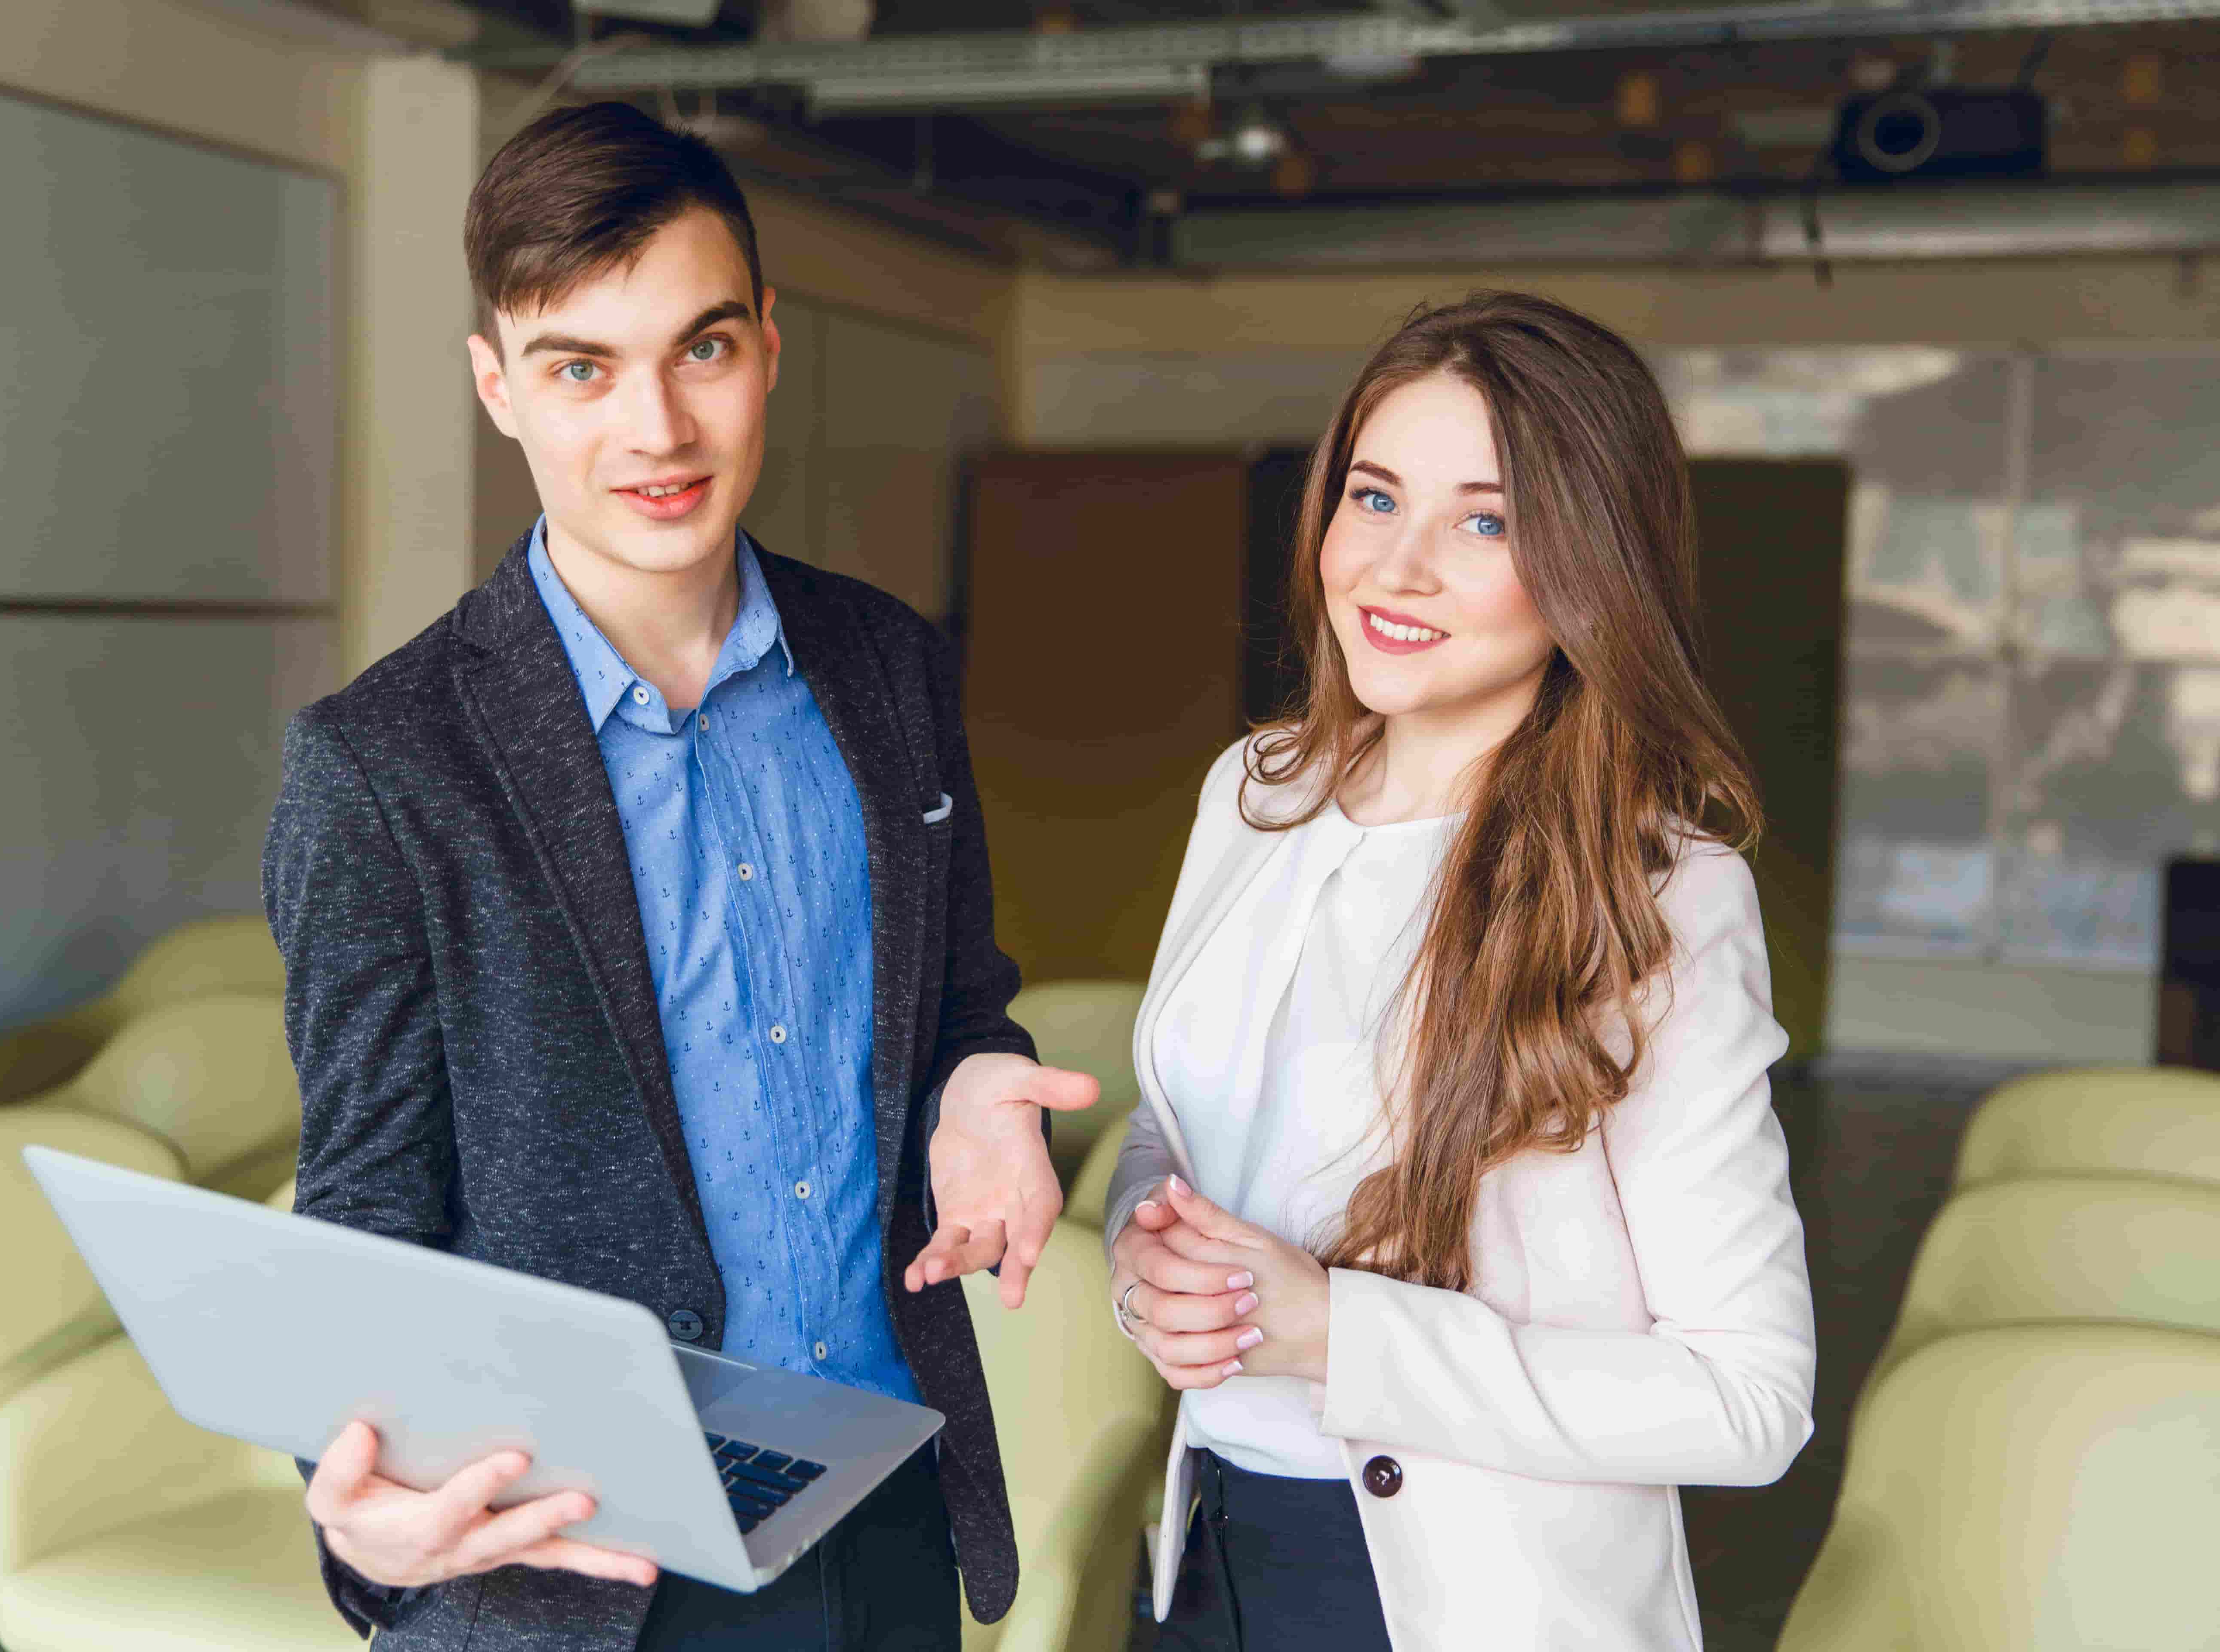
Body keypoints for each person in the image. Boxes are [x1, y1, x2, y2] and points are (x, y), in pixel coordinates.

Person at [262, 101, 1095, 1652]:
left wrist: (985, 1079)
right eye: (582, 367)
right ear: (498, 386)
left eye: (700, 350)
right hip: (586, 1567)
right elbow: (365, 1206)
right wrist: (356, 1490)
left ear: (769, 347)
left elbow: (960, 1003)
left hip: (884, 1503)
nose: (657, 430)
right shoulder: (381, 763)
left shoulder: (893, 667)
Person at [1099, 290, 1816, 1650]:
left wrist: (1337, 1334)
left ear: (1592, 568)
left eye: (1485, 523)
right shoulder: (1255, 793)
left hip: (1469, 1602)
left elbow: (1749, 1401)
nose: (1395, 567)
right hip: (1207, 1549)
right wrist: (1151, 1262)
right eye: (1373, 499)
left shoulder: (1657, 899)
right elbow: (1181, 1126)